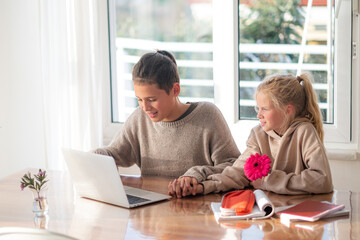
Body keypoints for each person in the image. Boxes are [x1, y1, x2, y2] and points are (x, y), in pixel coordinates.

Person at [168, 73, 333, 198]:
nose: (259, 115)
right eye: (257, 109)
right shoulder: (258, 134)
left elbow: (322, 180)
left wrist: (268, 181)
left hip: (301, 213)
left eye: (265, 109)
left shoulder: (305, 132)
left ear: (288, 110)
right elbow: (239, 172)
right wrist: (204, 186)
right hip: (270, 209)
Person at [93, 50, 240, 179]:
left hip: (199, 207)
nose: (145, 107)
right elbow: (116, 154)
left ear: (175, 90)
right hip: (153, 207)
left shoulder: (208, 115)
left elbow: (234, 165)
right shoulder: (139, 118)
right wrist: (98, 155)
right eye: (139, 99)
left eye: (152, 99)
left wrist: (198, 174)